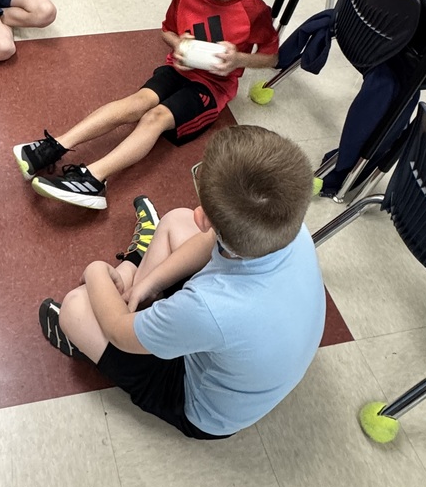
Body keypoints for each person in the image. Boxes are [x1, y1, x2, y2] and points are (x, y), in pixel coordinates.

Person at [39, 125, 325, 439]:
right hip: (245, 340)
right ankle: (133, 273)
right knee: (175, 220)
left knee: (76, 307)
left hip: (198, 405)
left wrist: (94, 271)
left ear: (205, 217)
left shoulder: (207, 307)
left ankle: (91, 326)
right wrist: (147, 285)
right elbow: (208, 242)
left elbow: (120, 334)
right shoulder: (287, 225)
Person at [13, 0, 279, 210]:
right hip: (178, 69)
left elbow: (271, 57)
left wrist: (238, 59)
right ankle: (56, 145)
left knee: (155, 117)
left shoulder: (255, 12)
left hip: (212, 88)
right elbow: (166, 30)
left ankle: (94, 179)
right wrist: (179, 44)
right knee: (137, 102)